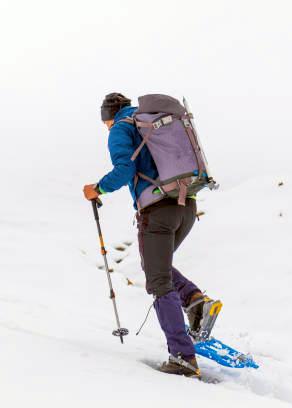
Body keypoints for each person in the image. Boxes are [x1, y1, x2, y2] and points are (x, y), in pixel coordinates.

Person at [83, 93, 220, 378]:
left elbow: (124, 170)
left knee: (158, 280)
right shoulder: (152, 122)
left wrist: (98, 188)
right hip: (186, 207)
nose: (106, 128)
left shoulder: (121, 128)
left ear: (108, 116)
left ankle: (182, 357)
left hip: (157, 212)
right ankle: (195, 302)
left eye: (105, 122)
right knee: (157, 268)